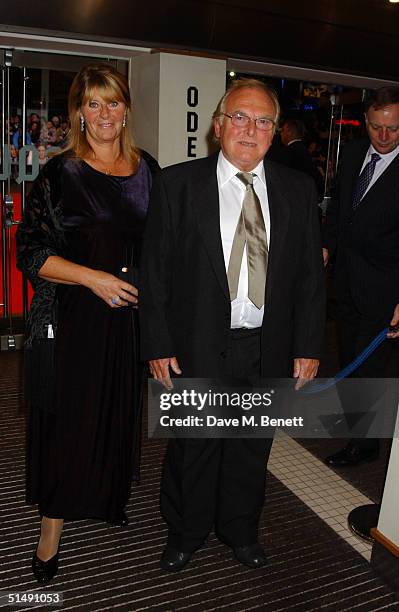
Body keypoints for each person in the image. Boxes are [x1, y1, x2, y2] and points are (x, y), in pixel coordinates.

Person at [140, 78, 325, 572]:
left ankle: (240, 529)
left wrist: (308, 345)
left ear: (275, 132)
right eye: (240, 117)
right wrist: (157, 343)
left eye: (264, 120)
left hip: (266, 345)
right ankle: (185, 531)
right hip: (195, 343)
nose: (251, 129)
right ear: (219, 126)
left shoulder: (298, 190)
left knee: (250, 448)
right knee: (194, 448)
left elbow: (310, 277)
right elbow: (154, 274)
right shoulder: (177, 186)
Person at [16, 63, 159, 584]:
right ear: (78, 112)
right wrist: (92, 279)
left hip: (128, 325)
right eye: (92, 104)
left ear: (126, 109)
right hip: (73, 321)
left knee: (116, 416)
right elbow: (30, 254)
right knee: (65, 424)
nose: (104, 114)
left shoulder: (150, 171)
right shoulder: (60, 173)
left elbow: (163, 250)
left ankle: (103, 498)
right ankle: (50, 527)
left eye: (113, 102)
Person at [323, 87, 399, 537]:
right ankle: (358, 424)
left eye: (394, 127)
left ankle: (364, 444)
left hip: (386, 289)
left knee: (373, 366)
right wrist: (326, 247)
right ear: (365, 121)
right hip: (347, 279)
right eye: (377, 126)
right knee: (348, 352)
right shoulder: (354, 153)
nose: (385, 135)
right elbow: (339, 212)